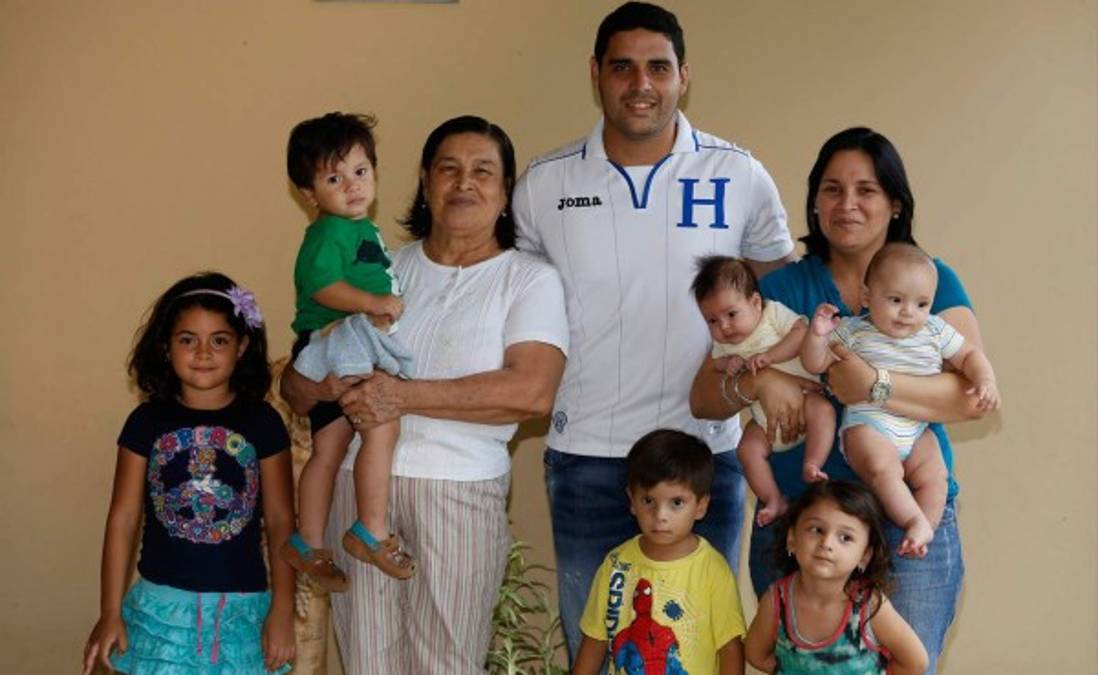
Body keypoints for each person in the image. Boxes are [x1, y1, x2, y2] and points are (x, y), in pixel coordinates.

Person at [512, 2, 794, 660]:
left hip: (707, 460)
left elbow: (778, 303)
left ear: (684, 76)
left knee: (698, 650)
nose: (641, 83)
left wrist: (777, 377)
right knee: (598, 650)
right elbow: (519, 312)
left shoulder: (739, 174)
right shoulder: (543, 185)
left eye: (658, 67)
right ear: (596, 74)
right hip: (586, 458)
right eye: (623, 67)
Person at [691, 127, 991, 673]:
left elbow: (970, 396)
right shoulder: (782, 287)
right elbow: (704, 398)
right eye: (831, 189)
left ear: (895, 203)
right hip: (801, 528)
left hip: (907, 526)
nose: (846, 204)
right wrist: (758, 383)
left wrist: (875, 387)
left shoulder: (932, 279)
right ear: (814, 201)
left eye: (866, 190)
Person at [281, 115, 569, 674]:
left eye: (483, 171)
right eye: (449, 169)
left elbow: (532, 392)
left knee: (446, 665)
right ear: (425, 181)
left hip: (457, 492)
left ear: (506, 192)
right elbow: (297, 381)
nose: (465, 183)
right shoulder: (382, 268)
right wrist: (317, 385)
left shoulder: (529, 279)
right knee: (368, 663)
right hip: (358, 495)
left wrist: (400, 397)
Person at [82, 272, 295, 675]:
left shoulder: (263, 423)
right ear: (166, 347)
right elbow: (123, 518)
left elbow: (283, 520)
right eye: (187, 340)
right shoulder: (145, 421)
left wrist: (282, 610)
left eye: (219, 339)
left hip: (242, 612)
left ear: (242, 346)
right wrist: (110, 611)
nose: (203, 352)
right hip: (159, 610)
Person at [282, 112, 414, 589]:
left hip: (335, 341)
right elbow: (321, 287)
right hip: (337, 338)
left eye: (361, 172)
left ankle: (308, 541)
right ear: (310, 194)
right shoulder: (329, 232)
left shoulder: (358, 230)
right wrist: (372, 303)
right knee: (383, 423)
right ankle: (371, 529)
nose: (353, 186)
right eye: (335, 178)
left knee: (330, 446)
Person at [802, 244, 999, 557]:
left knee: (936, 476)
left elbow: (970, 356)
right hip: (868, 425)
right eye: (895, 300)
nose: (909, 312)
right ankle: (913, 519)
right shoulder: (853, 330)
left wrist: (985, 379)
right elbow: (814, 365)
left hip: (917, 428)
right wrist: (816, 335)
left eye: (922, 304)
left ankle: (925, 530)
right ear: (868, 297)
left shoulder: (935, 330)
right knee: (884, 470)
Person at [573, 429, 746, 675]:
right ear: (631, 500)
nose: (660, 516)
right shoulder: (615, 564)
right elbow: (594, 641)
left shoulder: (713, 570)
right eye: (648, 501)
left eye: (676, 503)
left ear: (701, 505)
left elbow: (730, 650)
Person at [691, 255, 836, 527]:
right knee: (746, 449)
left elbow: (800, 332)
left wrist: (770, 357)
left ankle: (812, 463)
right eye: (712, 320)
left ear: (755, 302)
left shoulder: (772, 313)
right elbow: (715, 368)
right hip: (765, 422)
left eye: (731, 314)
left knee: (824, 410)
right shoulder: (723, 342)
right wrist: (728, 364)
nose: (723, 327)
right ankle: (773, 498)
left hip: (807, 400)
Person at [743, 481, 928, 674]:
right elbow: (756, 655)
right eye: (817, 530)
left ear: (864, 555)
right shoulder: (776, 601)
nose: (827, 543)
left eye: (845, 538)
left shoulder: (869, 605)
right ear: (792, 539)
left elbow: (915, 662)